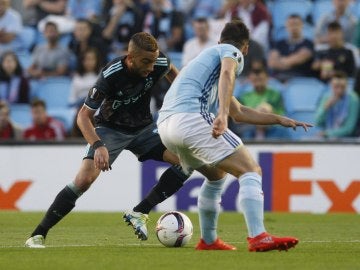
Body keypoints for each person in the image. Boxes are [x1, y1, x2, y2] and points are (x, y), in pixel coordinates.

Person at [24, 32, 192, 248]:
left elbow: (176, 79)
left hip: (144, 128)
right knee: (83, 181)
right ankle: (38, 235)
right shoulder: (111, 74)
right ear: (130, 58)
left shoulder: (159, 62)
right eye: (145, 62)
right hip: (110, 130)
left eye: (153, 60)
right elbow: (83, 116)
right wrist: (98, 145)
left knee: (187, 163)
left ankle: (140, 212)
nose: (151, 67)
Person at [157, 20, 311, 251]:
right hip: (190, 119)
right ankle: (258, 235)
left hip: (166, 127)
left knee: (217, 176)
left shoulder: (202, 60)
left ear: (219, 40)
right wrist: (221, 113)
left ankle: (208, 241)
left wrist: (280, 119)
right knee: (251, 170)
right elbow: (228, 74)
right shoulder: (231, 52)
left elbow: (239, 112)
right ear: (245, 48)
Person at [235, 67, 287, 140]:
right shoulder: (244, 96)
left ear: (267, 78)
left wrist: (269, 112)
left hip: (272, 126)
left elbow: (282, 112)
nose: (258, 83)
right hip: (250, 126)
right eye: (255, 80)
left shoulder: (275, 94)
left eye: (260, 80)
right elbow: (239, 115)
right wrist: (256, 114)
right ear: (250, 80)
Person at [268, 14, 314, 82]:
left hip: (300, 79)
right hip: (278, 78)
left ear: (302, 25)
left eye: (296, 24)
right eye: (291, 24)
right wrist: (287, 63)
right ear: (286, 26)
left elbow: (298, 59)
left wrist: (280, 61)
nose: (294, 27)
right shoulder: (279, 44)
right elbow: (272, 63)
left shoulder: (308, 44)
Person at [315, 70, 359, 139]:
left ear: (346, 86)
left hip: (349, 139)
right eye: (336, 87)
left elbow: (349, 128)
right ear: (331, 85)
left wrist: (328, 133)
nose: (339, 90)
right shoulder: (326, 97)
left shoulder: (353, 99)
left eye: (342, 87)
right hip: (328, 138)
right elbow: (318, 122)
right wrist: (326, 107)